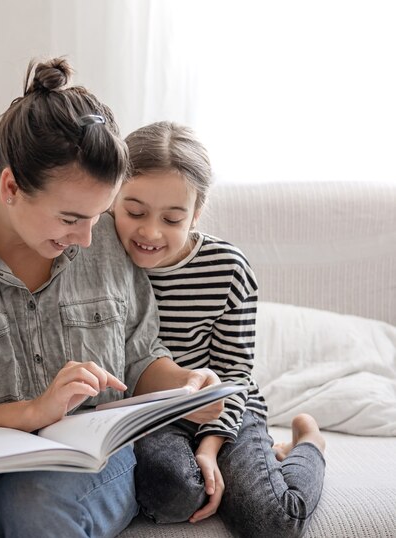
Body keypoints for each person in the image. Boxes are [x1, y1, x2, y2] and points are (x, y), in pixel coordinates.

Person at [0, 59, 223, 538]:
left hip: (82, 458)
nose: (91, 239)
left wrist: (185, 388)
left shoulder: (106, 236)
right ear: (11, 186)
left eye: (99, 215)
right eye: (71, 218)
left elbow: (138, 359)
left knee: (35, 507)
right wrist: (31, 413)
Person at [112, 121, 326, 537]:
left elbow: (233, 374)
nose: (150, 232)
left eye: (172, 218)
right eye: (134, 211)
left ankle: (308, 444)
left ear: (197, 211)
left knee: (275, 522)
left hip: (226, 408)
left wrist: (210, 449)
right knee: (172, 491)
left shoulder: (228, 269)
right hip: (153, 416)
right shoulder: (99, 256)